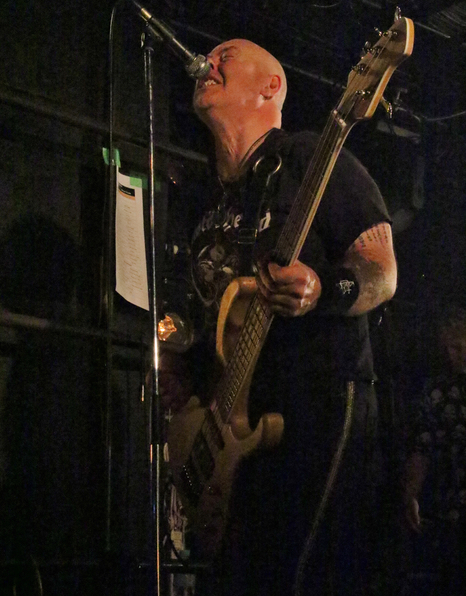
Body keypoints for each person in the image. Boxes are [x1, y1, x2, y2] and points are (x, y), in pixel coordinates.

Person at [158, 39, 397, 596]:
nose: (209, 61)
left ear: (271, 86)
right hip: (231, 428)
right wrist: (182, 375)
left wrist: (324, 288)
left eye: (227, 54)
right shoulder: (208, 202)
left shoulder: (311, 158)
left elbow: (381, 271)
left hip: (315, 403)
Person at [401, 305, 466, 595]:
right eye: (450, 348)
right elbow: (422, 447)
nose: (456, 355)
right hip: (452, 510)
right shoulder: (437, 392)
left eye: (460, 347)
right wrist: (411, 494)